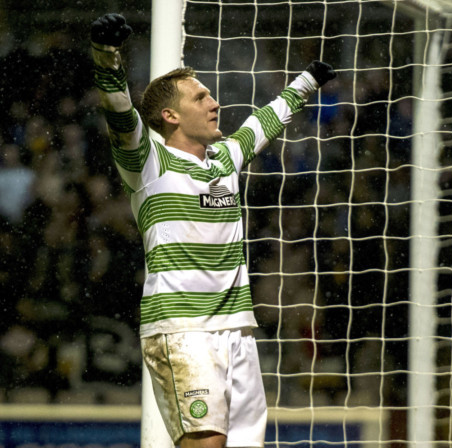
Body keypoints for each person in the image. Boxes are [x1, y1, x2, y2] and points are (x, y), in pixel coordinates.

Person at [90, 13, 336, 448]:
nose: (214, 102)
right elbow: (121, 115)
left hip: (238, 330)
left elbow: (266, 120)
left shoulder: (226, 158)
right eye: (201, 97)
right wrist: (107, 57)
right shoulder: (149, 162)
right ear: (170, 115)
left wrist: (308, 81)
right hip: (184, 329)